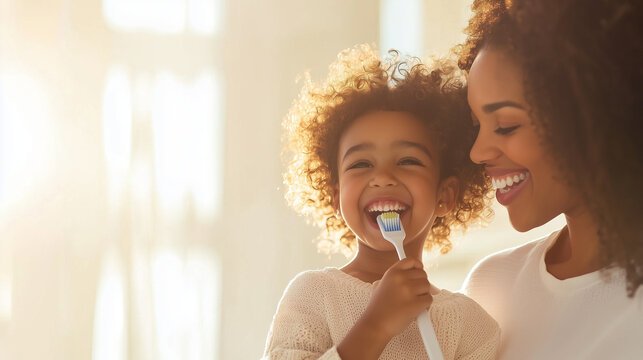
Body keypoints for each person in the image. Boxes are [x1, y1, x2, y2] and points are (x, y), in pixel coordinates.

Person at [262, 45, 500, 359]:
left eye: (408, 160)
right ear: (336, 197)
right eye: (361, 164)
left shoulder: (472, 326)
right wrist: (376, 325)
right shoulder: (313, 295)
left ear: (445, 195)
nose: (383, 177)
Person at [456, 0, 643, 358]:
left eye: (506, 125)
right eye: (476, 125)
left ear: (595, 117)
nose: (477, 152)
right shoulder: (490, 287)